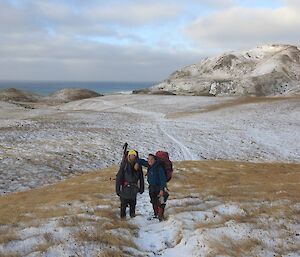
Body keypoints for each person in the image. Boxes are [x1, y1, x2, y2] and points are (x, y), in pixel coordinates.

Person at [139, 154, 169, 221]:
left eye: (151, 159)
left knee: (161, 201)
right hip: (152, 187)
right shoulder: (150, 165)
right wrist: (137, 160)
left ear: (155, 160)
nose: (149, 160)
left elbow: (162, 179)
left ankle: (160, 216)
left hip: (159, 187)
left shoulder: (159, 167)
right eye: (148, 159)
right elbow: (142, 162)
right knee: (153, 201)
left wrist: (162, 189)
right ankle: (156, 214)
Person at [115, 150, 144, 219]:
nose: (132, 157)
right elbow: (119, 178)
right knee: (123, 205)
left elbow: (141, 178)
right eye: (131, 155)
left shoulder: (138, 166)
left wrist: (141, 188)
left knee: (133, 204)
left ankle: (133, 219)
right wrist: (117, 189)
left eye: (134, 155)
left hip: (134, 189)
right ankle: (123, 219)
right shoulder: (124, 165)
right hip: (125, 188)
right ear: (128, 156)